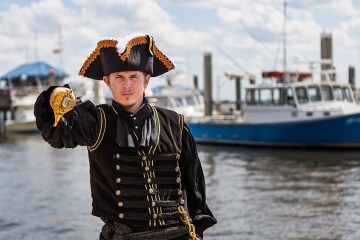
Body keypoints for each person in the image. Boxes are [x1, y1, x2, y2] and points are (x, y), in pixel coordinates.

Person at [34, 35, 217, 240]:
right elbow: (59, 133)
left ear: (146, 79)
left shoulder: (175, 123)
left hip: (178, 234)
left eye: (134, 77)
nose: (127, 85)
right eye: (119, 77)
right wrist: (55, 95)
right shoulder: (97, 121)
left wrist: (198, 230)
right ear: (107, 82)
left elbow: (194, 185)